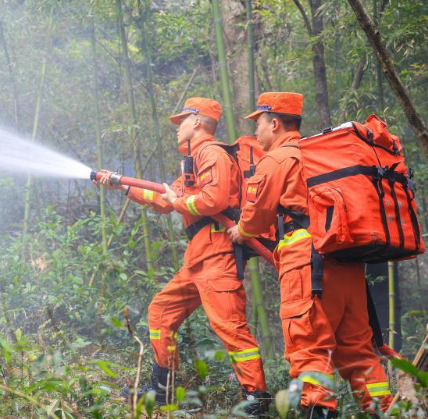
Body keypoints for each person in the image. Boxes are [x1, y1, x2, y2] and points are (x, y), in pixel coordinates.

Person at [96, 97, 269, 415]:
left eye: (182, 121)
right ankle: (164, 390)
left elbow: (214, 200)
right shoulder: (193, 161)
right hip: (199, 258)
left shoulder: (211, 153)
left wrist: (178, 202)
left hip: (218, 256)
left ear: (198, 122)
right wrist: (123, 186)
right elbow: (164, 199)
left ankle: (257, 400)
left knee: (230, 327)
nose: (177, 128)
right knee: (161, 312)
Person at [228, 92, 393, 418]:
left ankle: (319, 411)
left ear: (275, 123)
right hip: (346, 263)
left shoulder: (278, 159)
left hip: (307, 265)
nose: (256, 131)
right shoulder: (320, 155)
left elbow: (256, 216)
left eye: (258, 123)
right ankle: (385, 412)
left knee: (308, 347)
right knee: (359, 353)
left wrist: (241, 231)